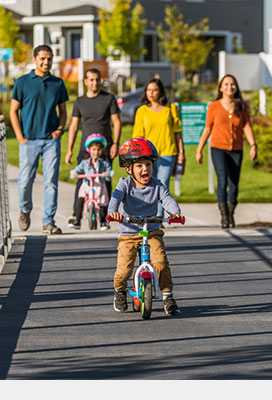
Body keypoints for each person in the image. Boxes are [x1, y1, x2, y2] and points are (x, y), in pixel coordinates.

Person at [107, 138, 182, 315]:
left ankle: (168, 296)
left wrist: (175, 212)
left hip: (152, 231)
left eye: (148, 164)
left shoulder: (157, 185)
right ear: (129, 168)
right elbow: (115, 198)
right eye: (139, 166)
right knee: (123, 271)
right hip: (129, 233)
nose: (145, 169)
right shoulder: (124, 184)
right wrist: (113, 212)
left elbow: (167, 200)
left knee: (161, 263)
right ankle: (119, 291)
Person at [10, 44, 68, 234]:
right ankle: (25, 209)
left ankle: (48, 222)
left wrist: (59, 129)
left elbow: (63, 112)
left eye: (49, 59)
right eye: (42, 58)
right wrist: (20, 137)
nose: (46, 62)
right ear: (34, 59)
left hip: (51, 141)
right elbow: (13, 111)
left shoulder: (58, 84)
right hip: (28, 141)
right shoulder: (23, 82)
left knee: (51, 181)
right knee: (25, 180)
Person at [195, 74, 257, 229]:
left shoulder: (241, 106)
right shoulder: (214, 106)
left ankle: (231, 212)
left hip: (236, 148)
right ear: (221, 88)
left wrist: (253, 145)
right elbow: (208, 128)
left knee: (234, 184)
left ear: (236, 87)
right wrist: (199, 149)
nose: (230, 87)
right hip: (218, 147)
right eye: (226, 84)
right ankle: (224, 216)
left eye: (233, 84)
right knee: (222, 180)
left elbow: (246, 126)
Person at [65, 68, 121, 227]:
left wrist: (115, 143)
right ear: (85, 81)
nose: (94, 83)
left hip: (105, 147)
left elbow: (116, 122)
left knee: (105, 181)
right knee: (81, 181)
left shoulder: (108, 99)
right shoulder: (80, 101)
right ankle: (76, 217)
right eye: (91, 79)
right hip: (86, 149)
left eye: (97, 79)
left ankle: (105, 218)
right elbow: (74, 126)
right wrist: (70, 149)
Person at [132, 78, 185, 217]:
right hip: (147, 156)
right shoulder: (142, 111)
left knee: (162, 185)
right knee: (148, 186)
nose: (151, 93)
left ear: (160, 91)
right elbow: (137, 137)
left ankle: (158, 218)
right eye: (149, 90)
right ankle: (149, 215)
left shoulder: (171, 108)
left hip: (168, 152)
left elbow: (177, 132)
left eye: (155, 90)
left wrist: (181, 153)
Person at [69, 133, 113, 231]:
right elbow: (77, 169)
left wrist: (107, 174)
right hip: (87, 185)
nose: (96, 152)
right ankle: (77, 220)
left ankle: (103, 221)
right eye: (94, 149)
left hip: (99, 185)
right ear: (89, 150)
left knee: (102, 201)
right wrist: (75, 173)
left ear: (102, 151)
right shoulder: (85, 163)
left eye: (98, 150)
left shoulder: (104, 163)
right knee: (81, 198)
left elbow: (109, 173)